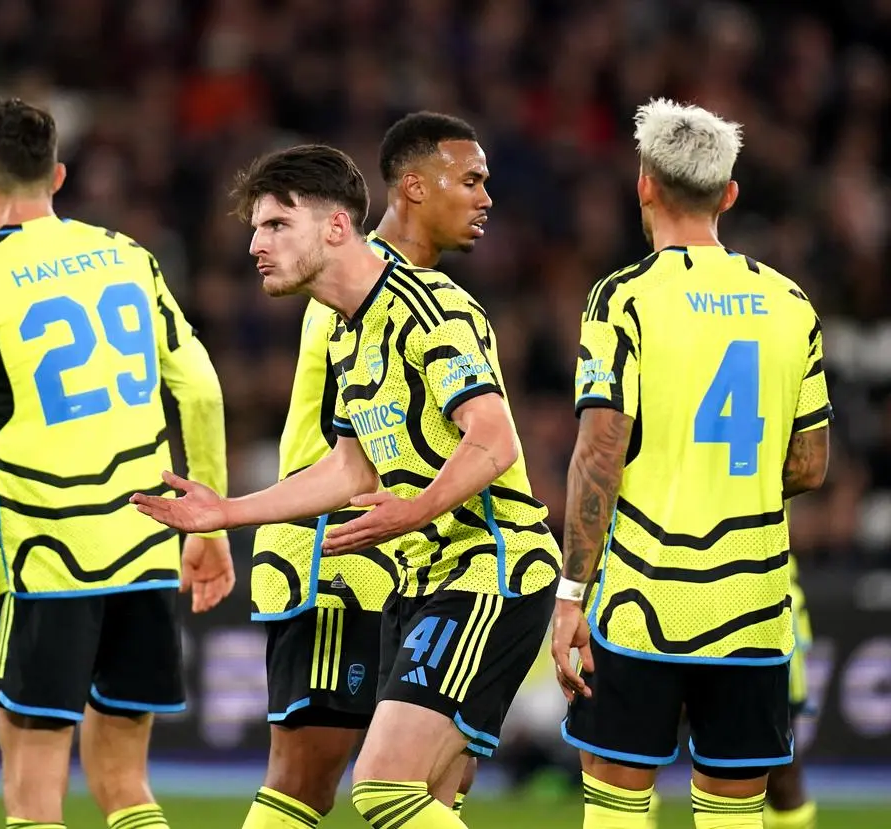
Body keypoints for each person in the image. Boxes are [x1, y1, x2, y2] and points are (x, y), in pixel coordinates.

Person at [134, 142, 560, 829]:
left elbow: (494, 436)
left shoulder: (427, 309)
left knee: (383, 786)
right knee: (430, 798)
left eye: (276, 225)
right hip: (423, 578)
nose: (255, 245)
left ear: (336, 227)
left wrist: (414, 509)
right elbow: (351, 468)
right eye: (255, 228)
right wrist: (229, 512)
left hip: (490, 566)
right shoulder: (347, 334)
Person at [0, 98, 235, 829]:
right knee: (128, 787)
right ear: (59, 175)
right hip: (147, 553)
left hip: (50, 563)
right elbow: (199, 387)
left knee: (33, 800)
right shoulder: (130, 257)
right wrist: (212, 521)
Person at [551, 98, 831, 829]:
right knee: (734, 816)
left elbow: (597, 457)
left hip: (641, 601)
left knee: (616, 808)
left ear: (644, 183)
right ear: (729, 194)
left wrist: (570, 592)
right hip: (752, 605)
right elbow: (810, 463)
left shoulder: (624, 299)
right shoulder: (790, 303)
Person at [243, 111, 491, 829]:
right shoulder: (347, 283)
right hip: (343, 562)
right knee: (305, 778)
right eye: (469, 181)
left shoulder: (410, 290)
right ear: (414, 189)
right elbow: (346, 452)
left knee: (437, 784)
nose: (484, 200)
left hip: (418, 565)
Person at [764, 556, 818, 829]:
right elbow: (804, 646)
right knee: (783, 782)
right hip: (781, 691)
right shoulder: (790, 588)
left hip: (772, 689)